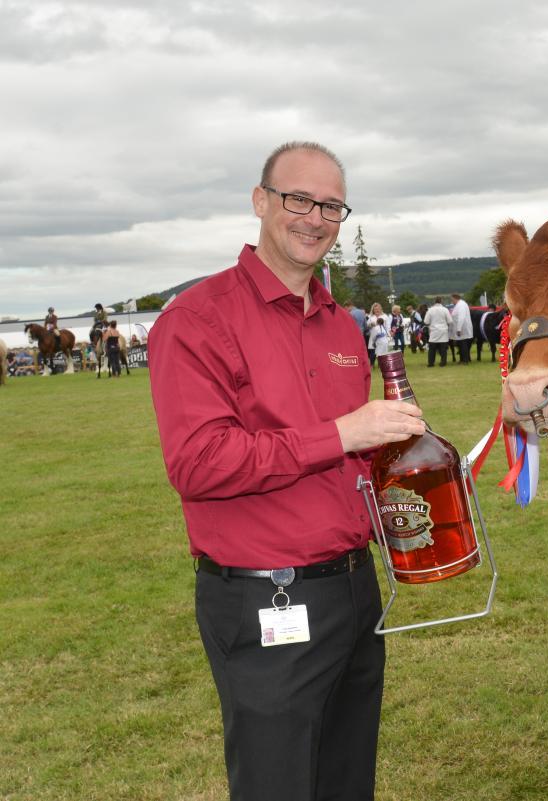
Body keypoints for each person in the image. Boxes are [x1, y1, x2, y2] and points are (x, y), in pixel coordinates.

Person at [148, 141, 425, 801]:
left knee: (346, 781)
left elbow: (359, 459)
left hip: (354, 590)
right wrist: (343, 432)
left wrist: (416, 475)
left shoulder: (341, 326)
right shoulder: (198, 318)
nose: (315, 218)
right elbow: (199, 462)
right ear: (260, 201)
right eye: (299, 199)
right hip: (267, 599)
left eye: (332, 206)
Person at [424, 296, 453, 367]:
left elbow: (426, 321)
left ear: (434, 301)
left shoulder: (430, 310)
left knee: (432, 349)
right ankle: (443, 362)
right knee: (443, 349)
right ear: (441, 301)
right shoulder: (445, 310)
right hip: (443, 331)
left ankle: (431, 363)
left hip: (434, 331)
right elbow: (450, 321)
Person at [450, 292, 473, 364]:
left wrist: (459, 329)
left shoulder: (461, 305)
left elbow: (461, 318)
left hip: (462, 329)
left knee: (463, 345)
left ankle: (465, 360)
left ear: (455, 298)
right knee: (460, 345)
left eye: (452, 300)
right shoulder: (459, 305)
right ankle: (462, 359)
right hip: (460, 328)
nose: (452, 301)